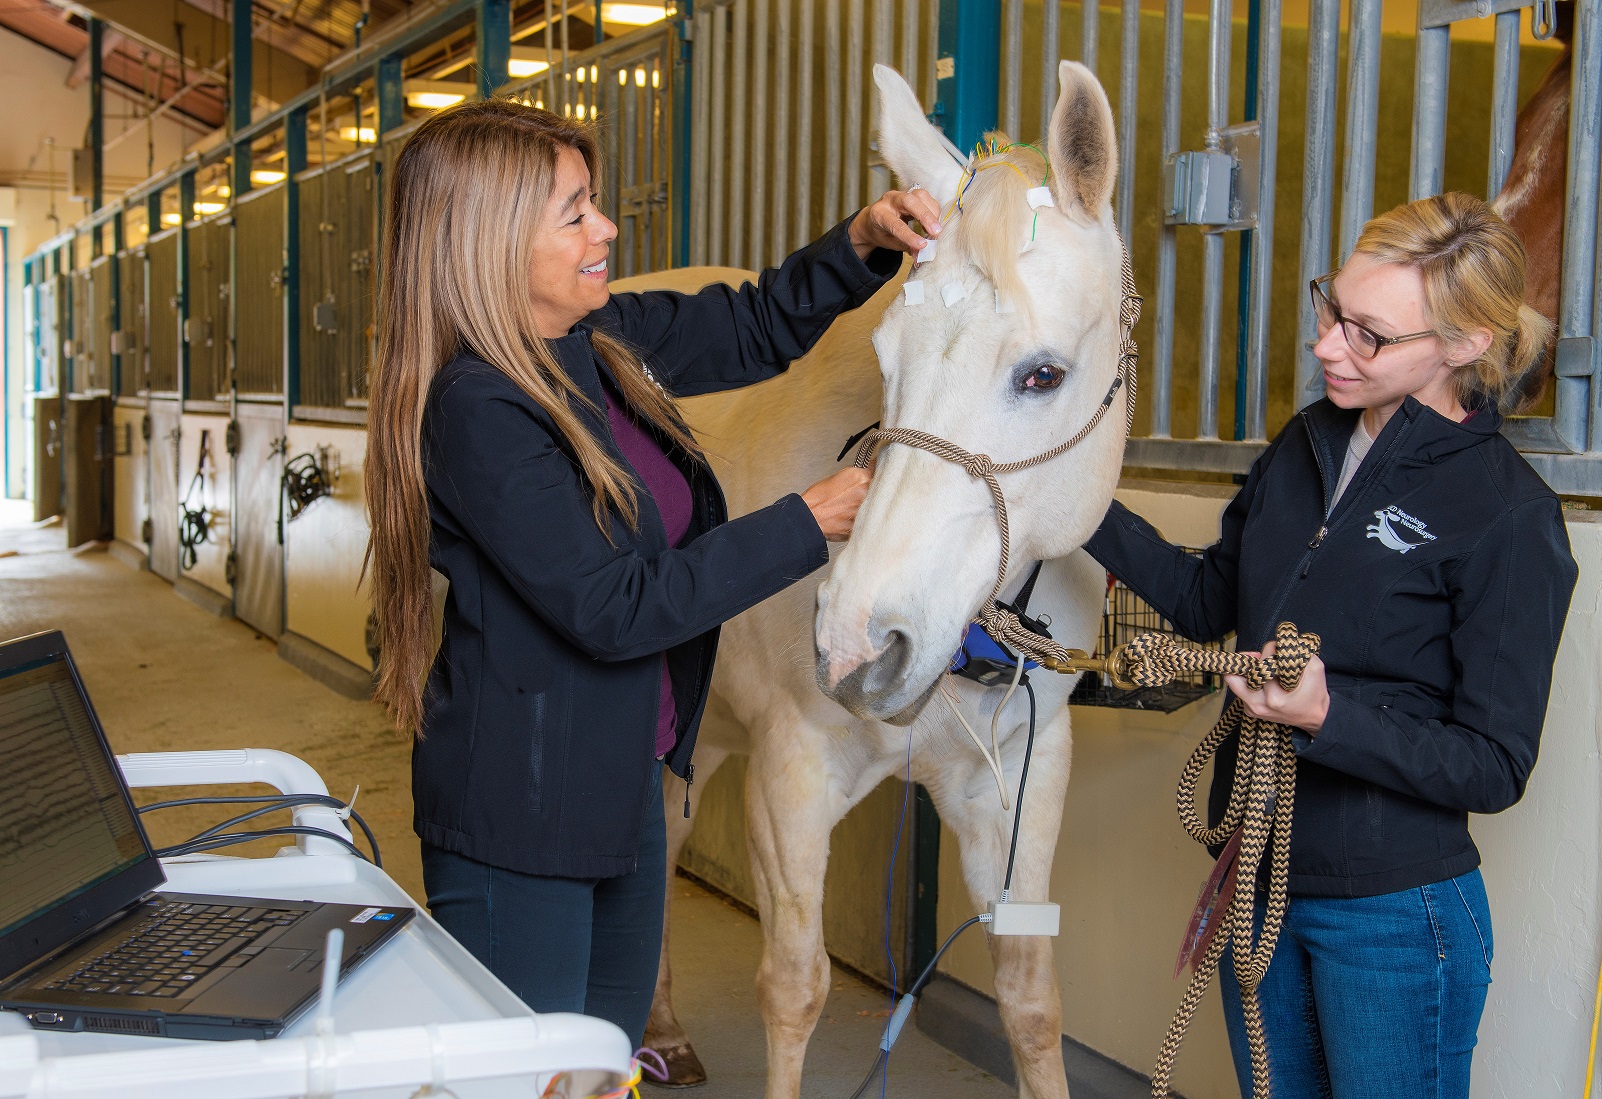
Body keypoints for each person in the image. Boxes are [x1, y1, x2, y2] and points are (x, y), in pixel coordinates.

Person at [362, 98, 940, 1046]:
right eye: (576, 211)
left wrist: (866, 240)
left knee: (608, 1052)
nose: (608, 228)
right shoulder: (478, 407)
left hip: (622, 779)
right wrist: (811, 519)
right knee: (544, 1068)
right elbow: (615, 607)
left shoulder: (592, 342)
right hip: (526, 818)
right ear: (491, 243)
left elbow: (755, 326)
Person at [1085, 192, 1577, 1097]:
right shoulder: (1307, 442)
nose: (1327, 348)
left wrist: (1327, 717)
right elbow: (1206, 602)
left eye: (1370, 336)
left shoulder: (1508, 516)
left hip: (1393, 916)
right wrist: (1074, 501)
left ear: (1465, 344)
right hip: (1260, 884)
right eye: (1331, 310)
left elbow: (1495, 764)